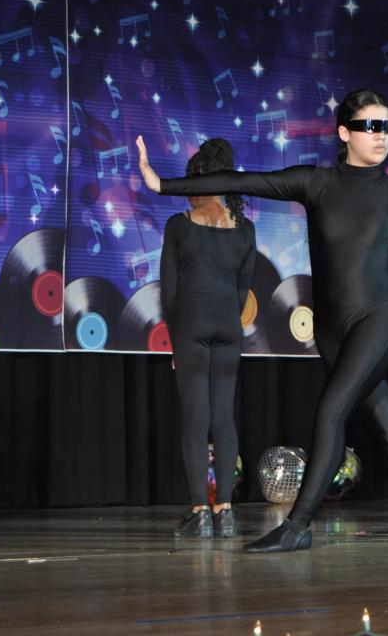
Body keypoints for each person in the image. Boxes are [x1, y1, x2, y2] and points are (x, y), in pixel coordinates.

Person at [138, 89, 388, 552]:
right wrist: (162, 186)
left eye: (387, 127)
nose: (381, 137)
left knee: (331, 412)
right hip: (331, 331)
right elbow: (247, 179)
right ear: (344, 133)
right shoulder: (317, 183)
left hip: (379, 319)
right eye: (370, 126)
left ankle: (297, 526)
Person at [160, 138, 256, 538]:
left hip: (193, 327)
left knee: (197, 419)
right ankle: (227, 512)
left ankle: (200, 510)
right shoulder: (246, 228)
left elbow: (169, 291)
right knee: (224, 417)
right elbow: (242, 291)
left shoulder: (179, 225)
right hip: (228, 328)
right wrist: (226, 320)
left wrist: (176, 338)